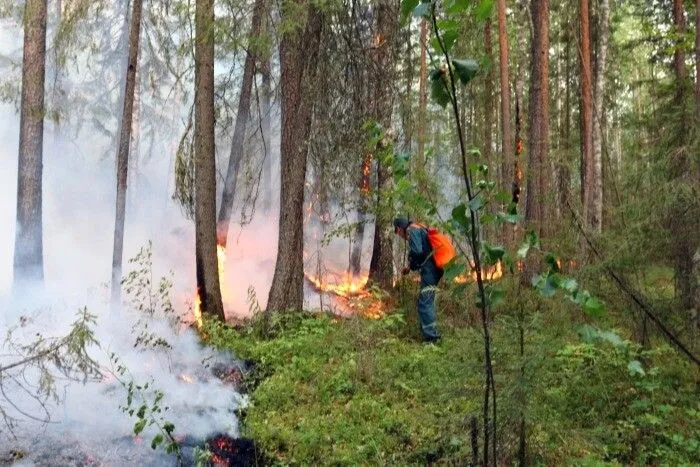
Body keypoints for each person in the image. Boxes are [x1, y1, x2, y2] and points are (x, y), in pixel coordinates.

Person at [393, 217, 443, 343]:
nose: (401, 236)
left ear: (399, 229)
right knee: (427, 300)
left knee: (425, 302)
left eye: (398, 233)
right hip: (434, 268)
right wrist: (410, 267)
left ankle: (432, 338)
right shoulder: (417, 228)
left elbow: (417, 252)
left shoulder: (412, 231)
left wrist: (412, 263)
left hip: (430, 270)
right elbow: (422, 251)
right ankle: (429, 334)